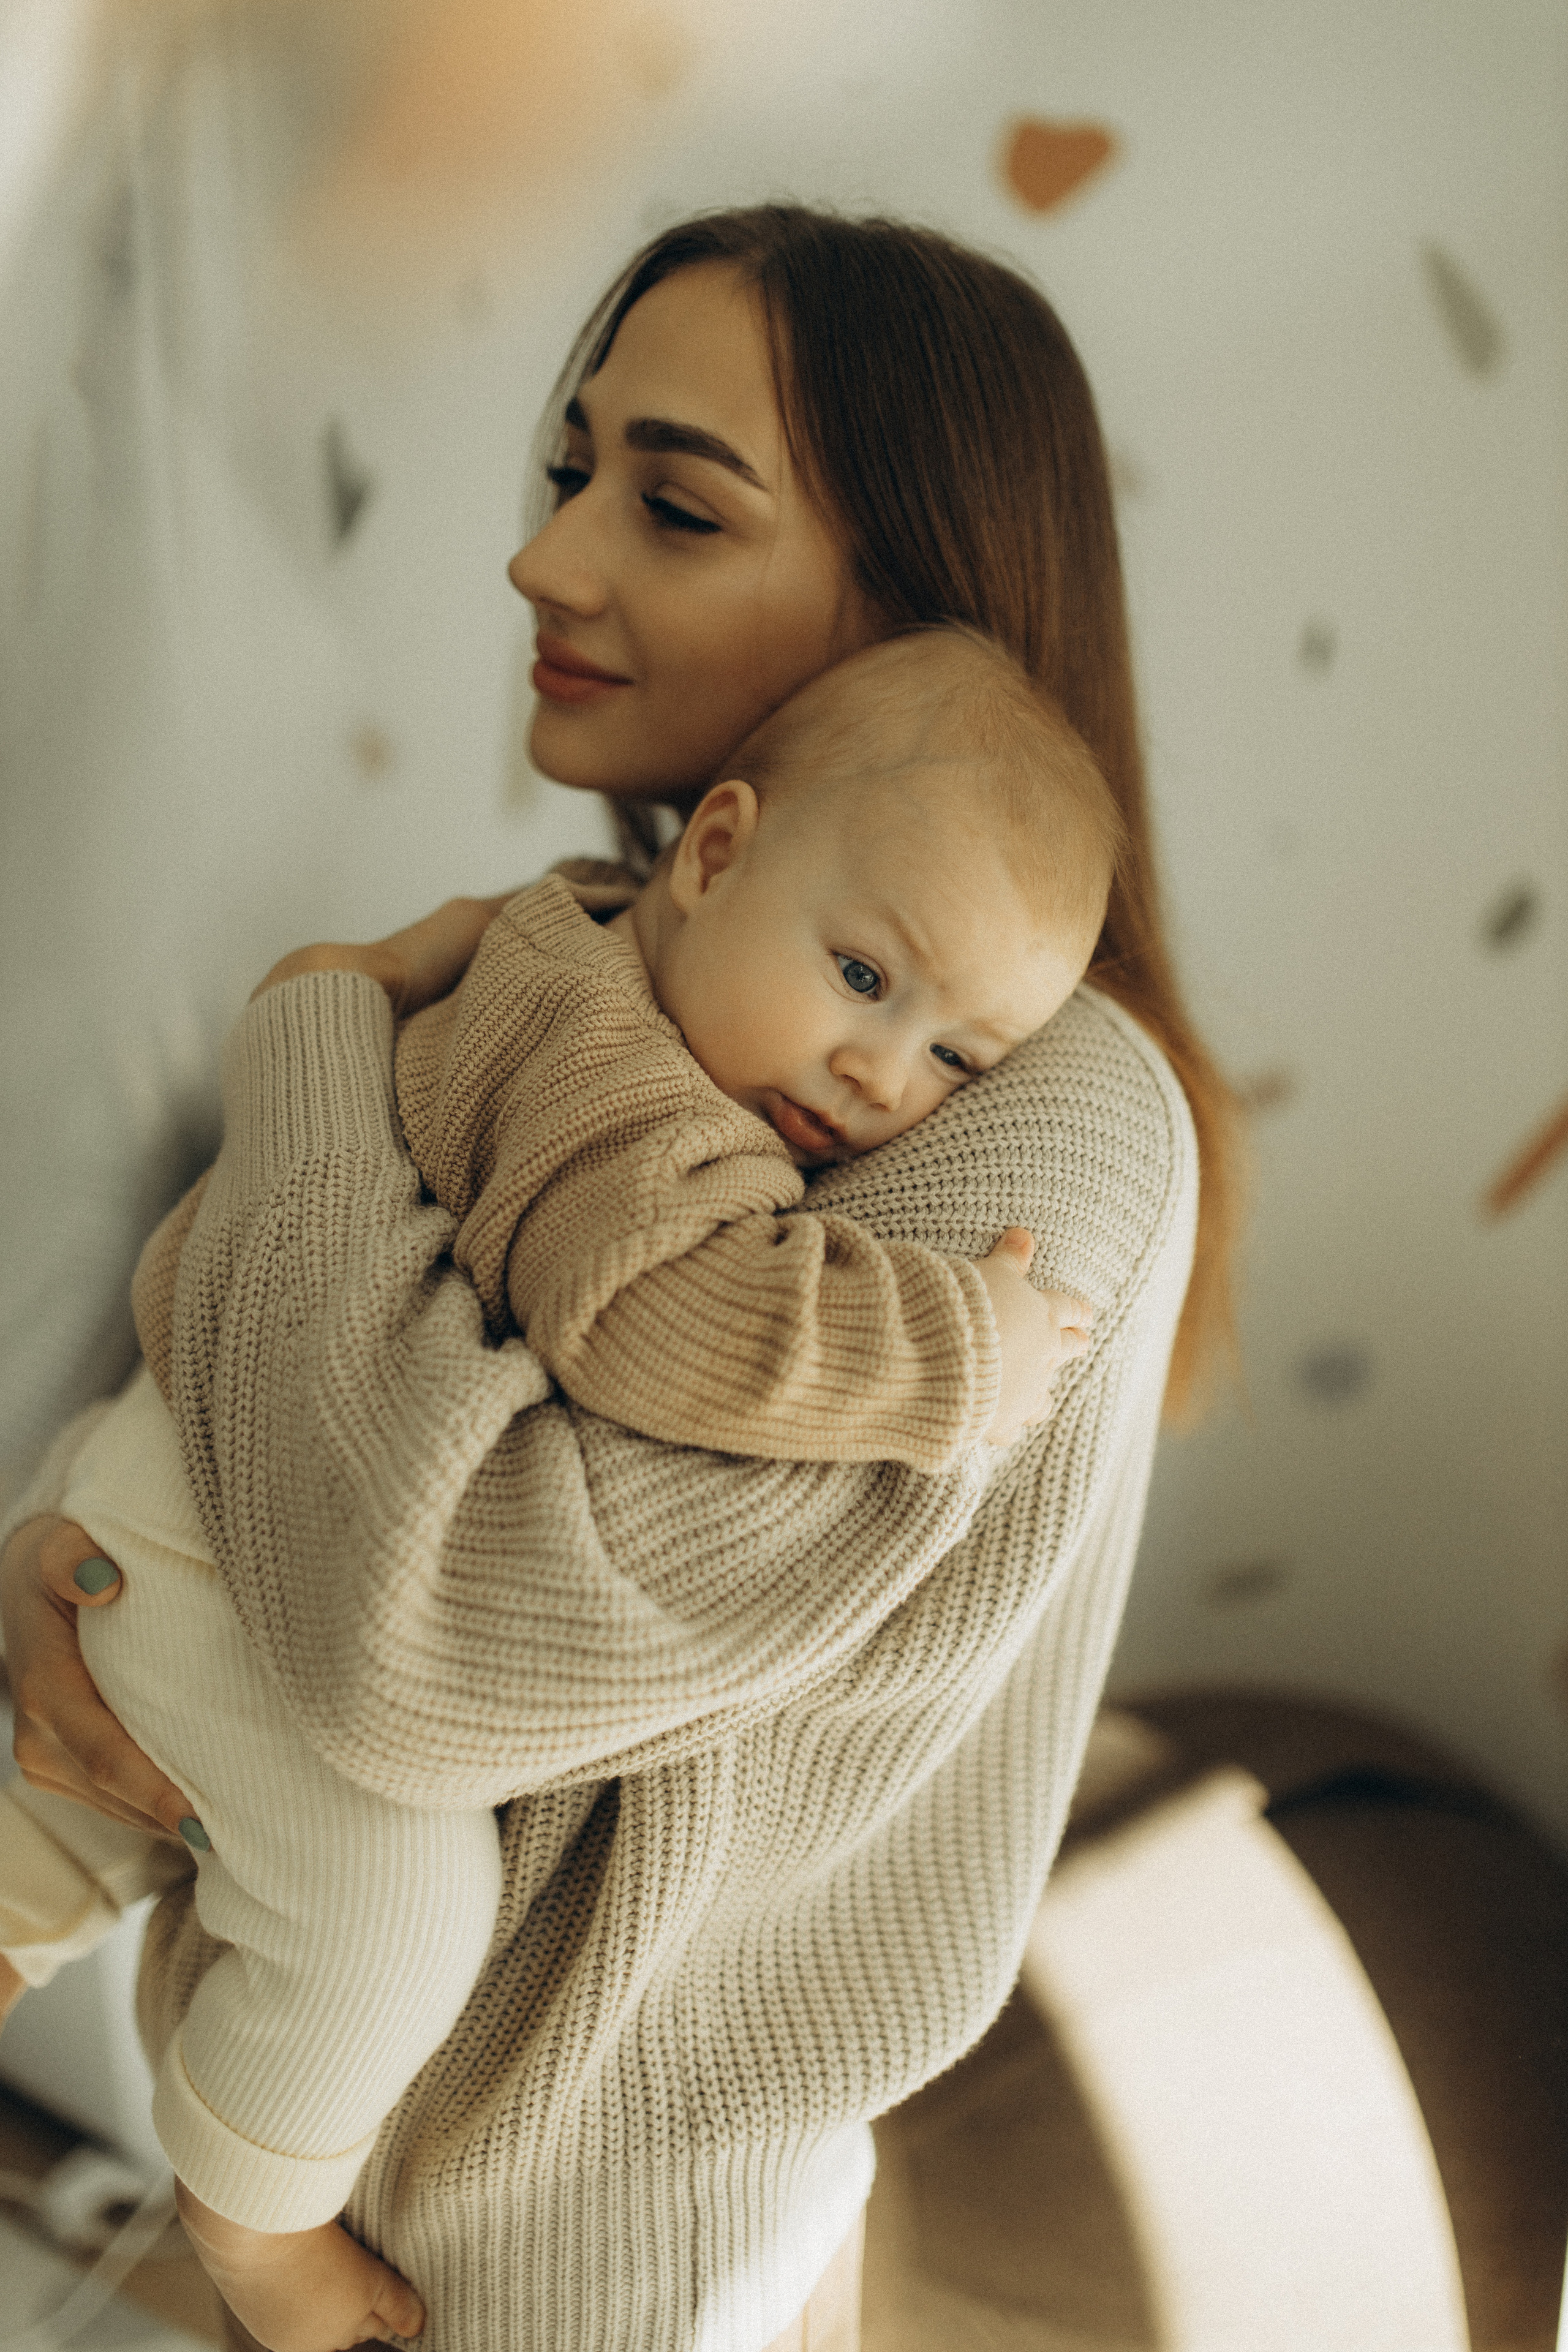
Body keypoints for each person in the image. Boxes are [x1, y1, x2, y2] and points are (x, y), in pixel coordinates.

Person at [0, 208, 1235, 2352]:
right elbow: (300, 1377)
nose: (547, 562)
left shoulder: (1040, 1119)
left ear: (915, 592)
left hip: (576, 2275)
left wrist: (306, 1036)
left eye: (669, 504)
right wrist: (106, 1556)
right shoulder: (602, 944)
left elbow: (422, 1631)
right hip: (370, 2165)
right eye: (568, 474)